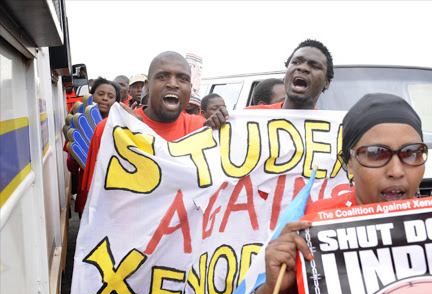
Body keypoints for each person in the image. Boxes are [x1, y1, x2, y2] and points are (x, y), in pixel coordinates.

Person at [238, 93, 428, 294]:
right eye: (377, 154)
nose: (397, 171)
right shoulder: (313, 228)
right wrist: (273, 287)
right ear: (348, 162)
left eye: (411, 152)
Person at [80, 51, 229, 211]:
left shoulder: (203, 131)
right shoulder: (110, 130)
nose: (173, 84)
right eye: (162, 77)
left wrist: (225, 135)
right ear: (147, 86)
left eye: (183, 79)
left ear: (190, 88)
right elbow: (96, 205)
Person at [66, 77, 121, 215]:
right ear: (91, 97)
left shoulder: (123, 127)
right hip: (88, 195)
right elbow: (71, 167)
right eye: (100, 94)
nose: (105, 99)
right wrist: (77, 153)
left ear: (116, 102)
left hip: (115, 195)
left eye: (110, 96)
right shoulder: (78, 125)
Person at [245, 39, 333, 111]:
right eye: (296, 62)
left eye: (314, 66)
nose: (303, 68)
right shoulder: (251, 116)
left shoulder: (333, 125)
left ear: (326, 82)